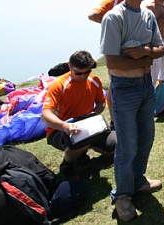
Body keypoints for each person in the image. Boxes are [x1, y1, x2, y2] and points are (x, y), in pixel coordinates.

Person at [100, 0, 164, 222]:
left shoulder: (148, 15)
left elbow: (160, 49)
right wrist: (146, 59)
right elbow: (112, 62)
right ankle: (123, 196)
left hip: (146, 86)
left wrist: (145, 52)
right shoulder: (113, 18)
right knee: (127, 146)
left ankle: (137, 180)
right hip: (124, 89)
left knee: (146, 137)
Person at [41, 50, 116, 178]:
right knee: (82, 138)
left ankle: (83, 155)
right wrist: (64, 126)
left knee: (116, 143)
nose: (83, 76)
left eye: (87, 72)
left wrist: (93, 115)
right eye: (78, 73)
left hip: (88, 125)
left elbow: (101, 102)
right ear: (70, 67)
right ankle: (67, 166)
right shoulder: (59, 85)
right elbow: (45, 115)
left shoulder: (94, 81)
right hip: (60, 131)